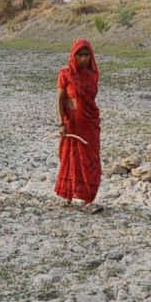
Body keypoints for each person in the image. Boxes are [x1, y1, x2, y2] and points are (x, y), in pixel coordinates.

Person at [55, 38, 102, 212]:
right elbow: (60, 100)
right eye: (79, 55)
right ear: (73, 56)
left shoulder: (93, 75)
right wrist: (61, 123)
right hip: (72, 124)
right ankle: (66, 196)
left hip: (90, 124)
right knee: (69, 157)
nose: (83, 58)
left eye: (86, 55)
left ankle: (87, 199)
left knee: (90, 160)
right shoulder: (65, 74)